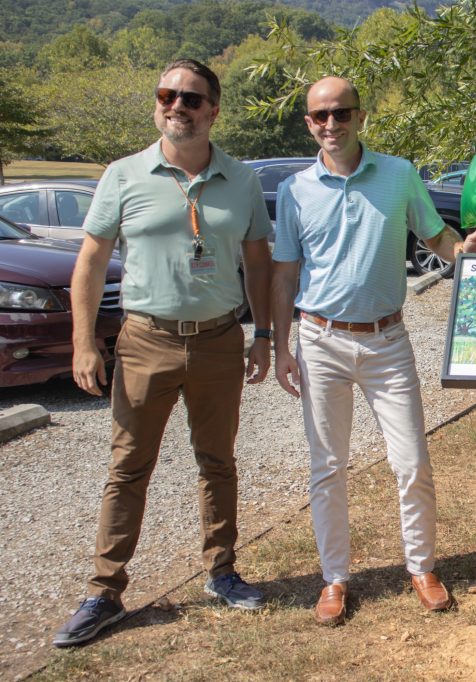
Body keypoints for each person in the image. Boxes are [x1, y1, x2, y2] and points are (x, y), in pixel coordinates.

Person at [54, 59, 273, 648]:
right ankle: (104, 592)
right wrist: (83, 342)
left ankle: (222, 573)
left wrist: (266, 336)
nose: (177, 104)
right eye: (167, 94)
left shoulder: (243, 180)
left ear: (214, 109)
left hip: (220, 340)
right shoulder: (123, 174)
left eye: (192, 98)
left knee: (218, 463)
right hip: (145, 341)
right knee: (128, 469)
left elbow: (257, 264)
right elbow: (91, 262)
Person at [271, 76, 476, 626]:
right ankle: (334, 578)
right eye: (320, 115)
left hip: (387, 341)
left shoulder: (398, 175)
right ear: (308, 122)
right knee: (327, 466)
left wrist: (463, 249)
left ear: (360, 116)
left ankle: (421, 567)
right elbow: (284, 273)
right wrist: (280, 344)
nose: (331, 123)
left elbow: (436, 238)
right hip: (320, 340)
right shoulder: (295, 190)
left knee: (412, 462)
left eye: (341, 113)